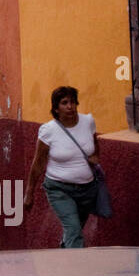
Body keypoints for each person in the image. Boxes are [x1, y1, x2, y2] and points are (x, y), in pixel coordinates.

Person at [24, 86, 102, 248]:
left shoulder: (88, 122)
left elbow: (94, 144)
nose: (70, 106)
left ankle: (64, 254)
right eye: (64, 103)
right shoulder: (48, 131)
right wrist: (29, 193)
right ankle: (76, 270)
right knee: (73, 229)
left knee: (74, 231)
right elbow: (38, 163)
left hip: (87, 189)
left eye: (73, 102)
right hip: (59, 189)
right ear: (56, 108)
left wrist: (95, 156)